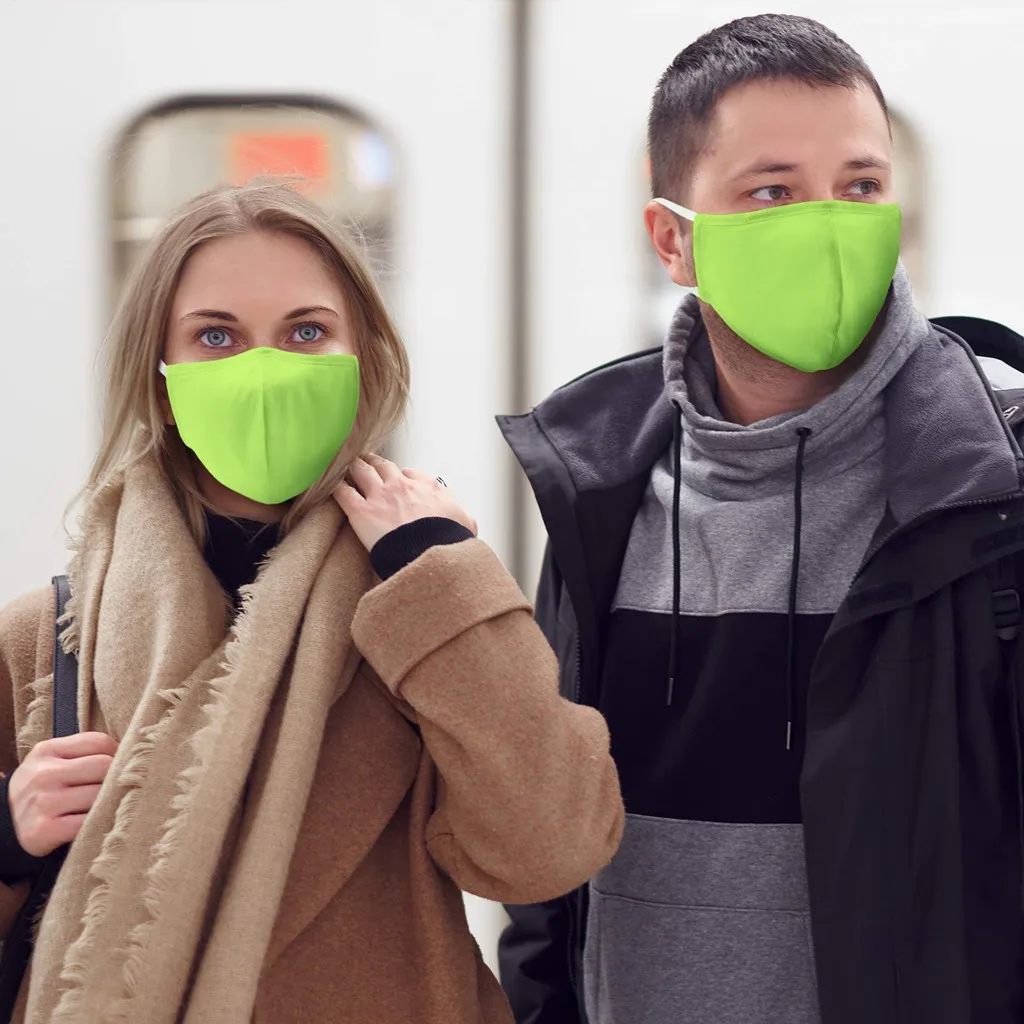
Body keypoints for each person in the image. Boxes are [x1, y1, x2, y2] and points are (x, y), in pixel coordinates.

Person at [498, 13, 1024, 1024]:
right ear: (674, 239)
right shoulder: (600, 490)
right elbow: (549, 864)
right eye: (773, 192)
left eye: (860, 187)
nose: (827, 224)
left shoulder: (988, 492)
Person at [0, 180, 624, 1023]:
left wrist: (437, 571)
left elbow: (549, 850)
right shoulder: (44, 643)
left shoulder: (424, 609)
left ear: (360, 361)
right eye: (216, 336)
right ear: (162, 383)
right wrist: (6, 834)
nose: (265, 369)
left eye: (306, 332)